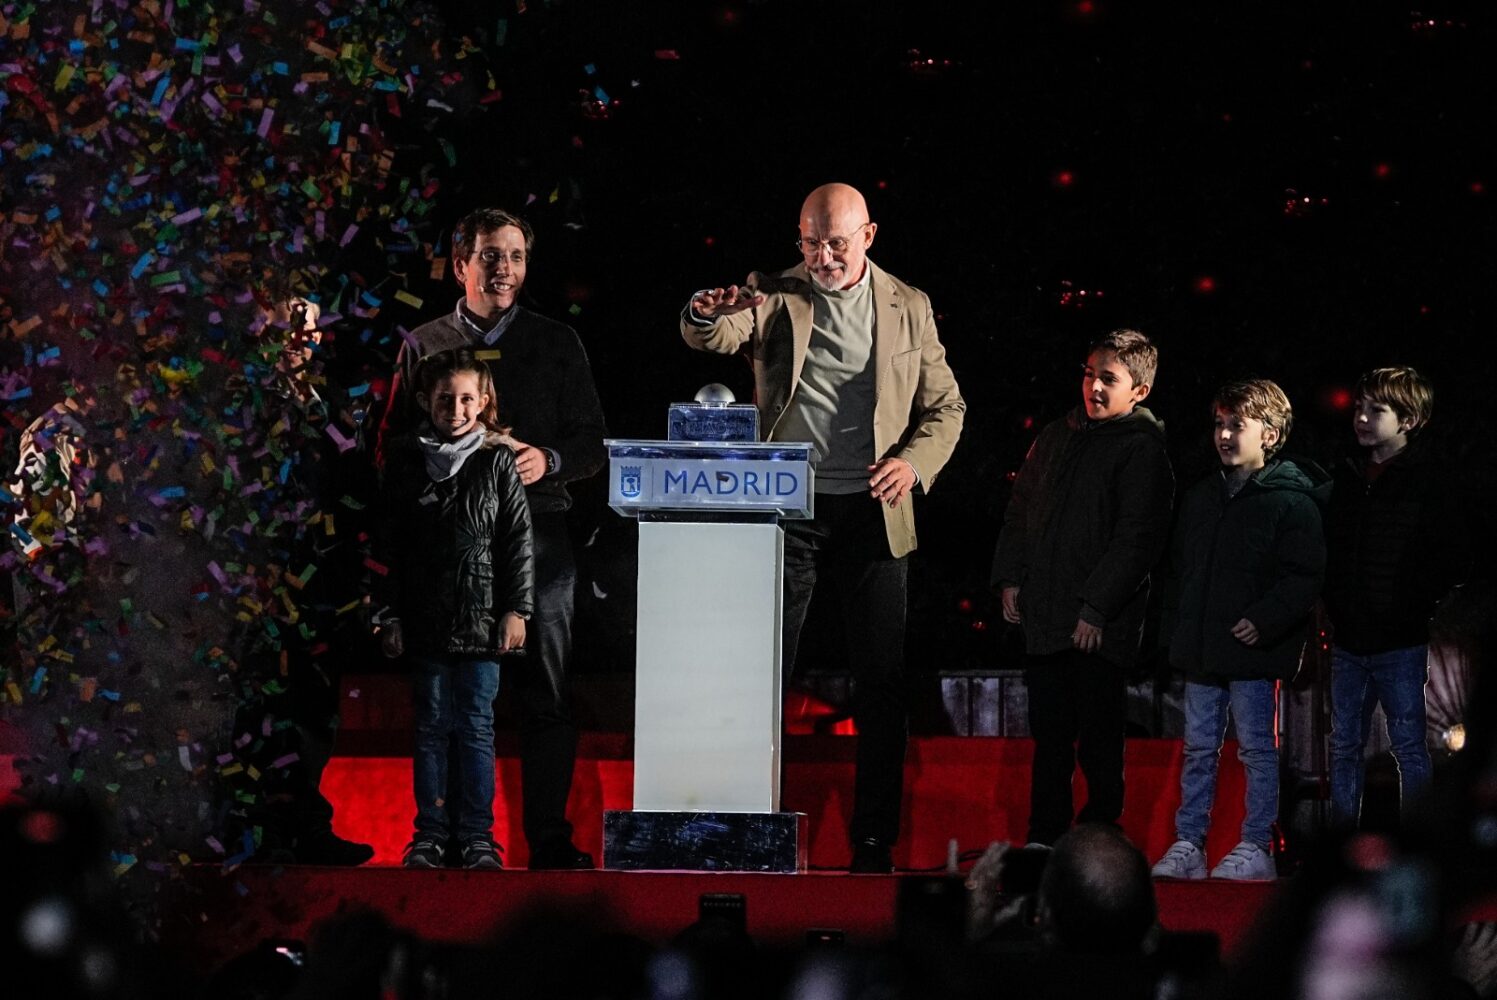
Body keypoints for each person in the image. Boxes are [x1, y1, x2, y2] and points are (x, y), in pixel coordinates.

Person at [680, 181, 966, 874]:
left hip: (873, 511)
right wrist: (702, 311)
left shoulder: (909, 304)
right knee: (762, 672)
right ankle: (748, 826)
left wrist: (912, 465)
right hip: (789, 510)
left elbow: (946, 409)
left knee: (881, 683)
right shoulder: (774, 289)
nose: (823, 257)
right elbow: (718, 333)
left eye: (836, 243)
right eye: (811, 244)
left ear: (868, 236)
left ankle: (872, 840)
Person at [379, 208, 605, 870]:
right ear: (460, 264)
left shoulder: (557, 341)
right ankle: (445, 837)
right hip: (445, 549)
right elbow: (387, 443)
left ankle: (547, 838)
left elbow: (592, 442)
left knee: (545, 688)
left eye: (514, 256)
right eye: (488, 255)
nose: (502, 268)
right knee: (446, 701)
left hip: (537, 535)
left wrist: (549, 462)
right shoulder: (424, 342)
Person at [990, 329, 1174, 848]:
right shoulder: (1057, 435)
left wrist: (1097, 608)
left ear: (1138, 391)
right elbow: (1021, 510)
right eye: (1090, 374)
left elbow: (1137, 540)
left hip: (1097, 626)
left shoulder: (1141, 451)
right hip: (1046, 614)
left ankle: (1097, 835)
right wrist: (1010, 576)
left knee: (1097, 738)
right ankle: (1044, 836)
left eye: (1108, 379)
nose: (1093, 387)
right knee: (1049, 738)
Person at [1151, 378, 1328, 882]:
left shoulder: (1291, 500)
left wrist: (1266, 619)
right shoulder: (1203, 496)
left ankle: (1256, 846)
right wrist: (1176, 633)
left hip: (1251, 650)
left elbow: (1304, 575)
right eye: (1220, 424)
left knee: (1255, 748)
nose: (1224, 435)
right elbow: (1182, 570)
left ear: (1269, 435)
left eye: (1237, 425)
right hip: (1204, 650)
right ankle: (1189, 844)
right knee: (1199, 748)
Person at [374, 349, 535, 870]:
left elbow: (517, 540)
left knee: (476, 725)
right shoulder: (403, 460)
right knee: (431, 725)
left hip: (482, 618)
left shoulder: (497, 460)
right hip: (423, 617)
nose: (457, 408)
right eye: (446, 398)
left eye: (468, 398)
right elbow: (388, 543)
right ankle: (429, 835)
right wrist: (388, 614)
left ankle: (477, 837)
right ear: (425, 401)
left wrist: (518, 609)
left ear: (484, 402)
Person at [246, 292, 374, 866]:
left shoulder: (326, 402)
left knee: (316, 708)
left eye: (312, 328)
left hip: (323, 583)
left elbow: (351, 486)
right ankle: (258, 830)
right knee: (259, 711)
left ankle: (306, 828)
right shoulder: (241, 402)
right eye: (292, 327)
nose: (305, 338)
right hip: (260, 587)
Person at [1323, 366, 1466, 829]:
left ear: (1408, 420)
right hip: (1349, 639)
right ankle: (1342, 841)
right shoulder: (1346, 476)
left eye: (1375, 410)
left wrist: (1417, 605)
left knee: (1408, 744)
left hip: (1399, 640)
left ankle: (1419, 843)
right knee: (1344, 744)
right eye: (1359, 409)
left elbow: (1446, 555)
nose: (1361, 418)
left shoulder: (1428, 482)